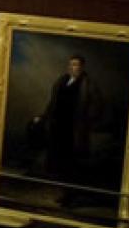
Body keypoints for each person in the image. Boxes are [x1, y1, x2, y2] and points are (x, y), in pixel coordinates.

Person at [33, 54, 103, 202]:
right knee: (58, 161)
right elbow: (53, 103)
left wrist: (86, 123)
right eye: (71, 64)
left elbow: (96, 107)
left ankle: (69, 195)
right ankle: (61, 191)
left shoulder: (88, 84)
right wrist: (43, 116)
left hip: (74, 131)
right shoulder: (62, 81)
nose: (73, 67)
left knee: (71, 163)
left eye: (76, 65)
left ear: (82, 67)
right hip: (58, 128)